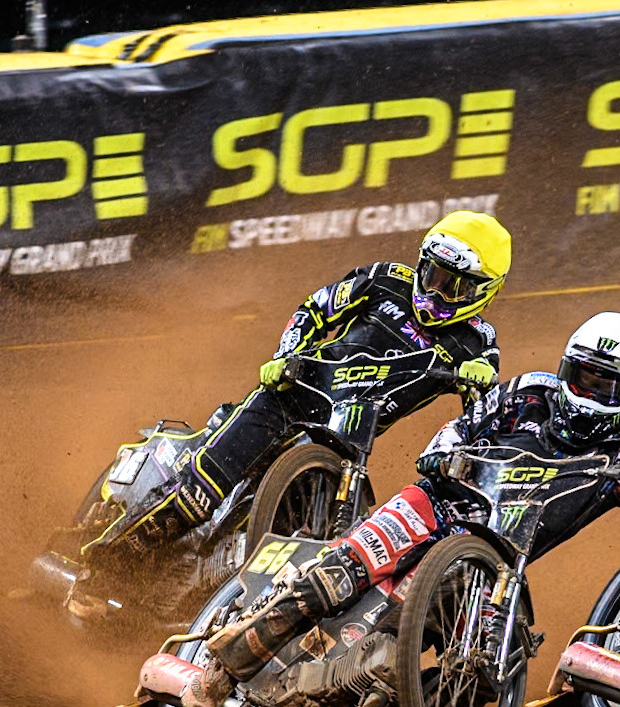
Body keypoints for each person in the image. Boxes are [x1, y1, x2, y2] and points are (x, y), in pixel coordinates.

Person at [181, 312, 620, 707]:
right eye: (583, 378)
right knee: (342, 574)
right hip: (436, 503)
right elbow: (460, 427)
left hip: (492, 563)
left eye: (607, 387)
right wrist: (438, 455)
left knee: (494, 667)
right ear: (566, 369)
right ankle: (223, 670)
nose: (589, 395)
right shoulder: (528, 394)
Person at [123, 211, 511, 555]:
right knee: (198, 494)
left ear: (484, 291)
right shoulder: (384, 279)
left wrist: (480, 382)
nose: (435, 291)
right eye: (431, 274)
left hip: (345, 439)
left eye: (453, 286)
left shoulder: (478, 342)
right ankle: (104, 565)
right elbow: (315, 309)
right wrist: (284, 356)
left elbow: (485, 418)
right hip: (291, 396)